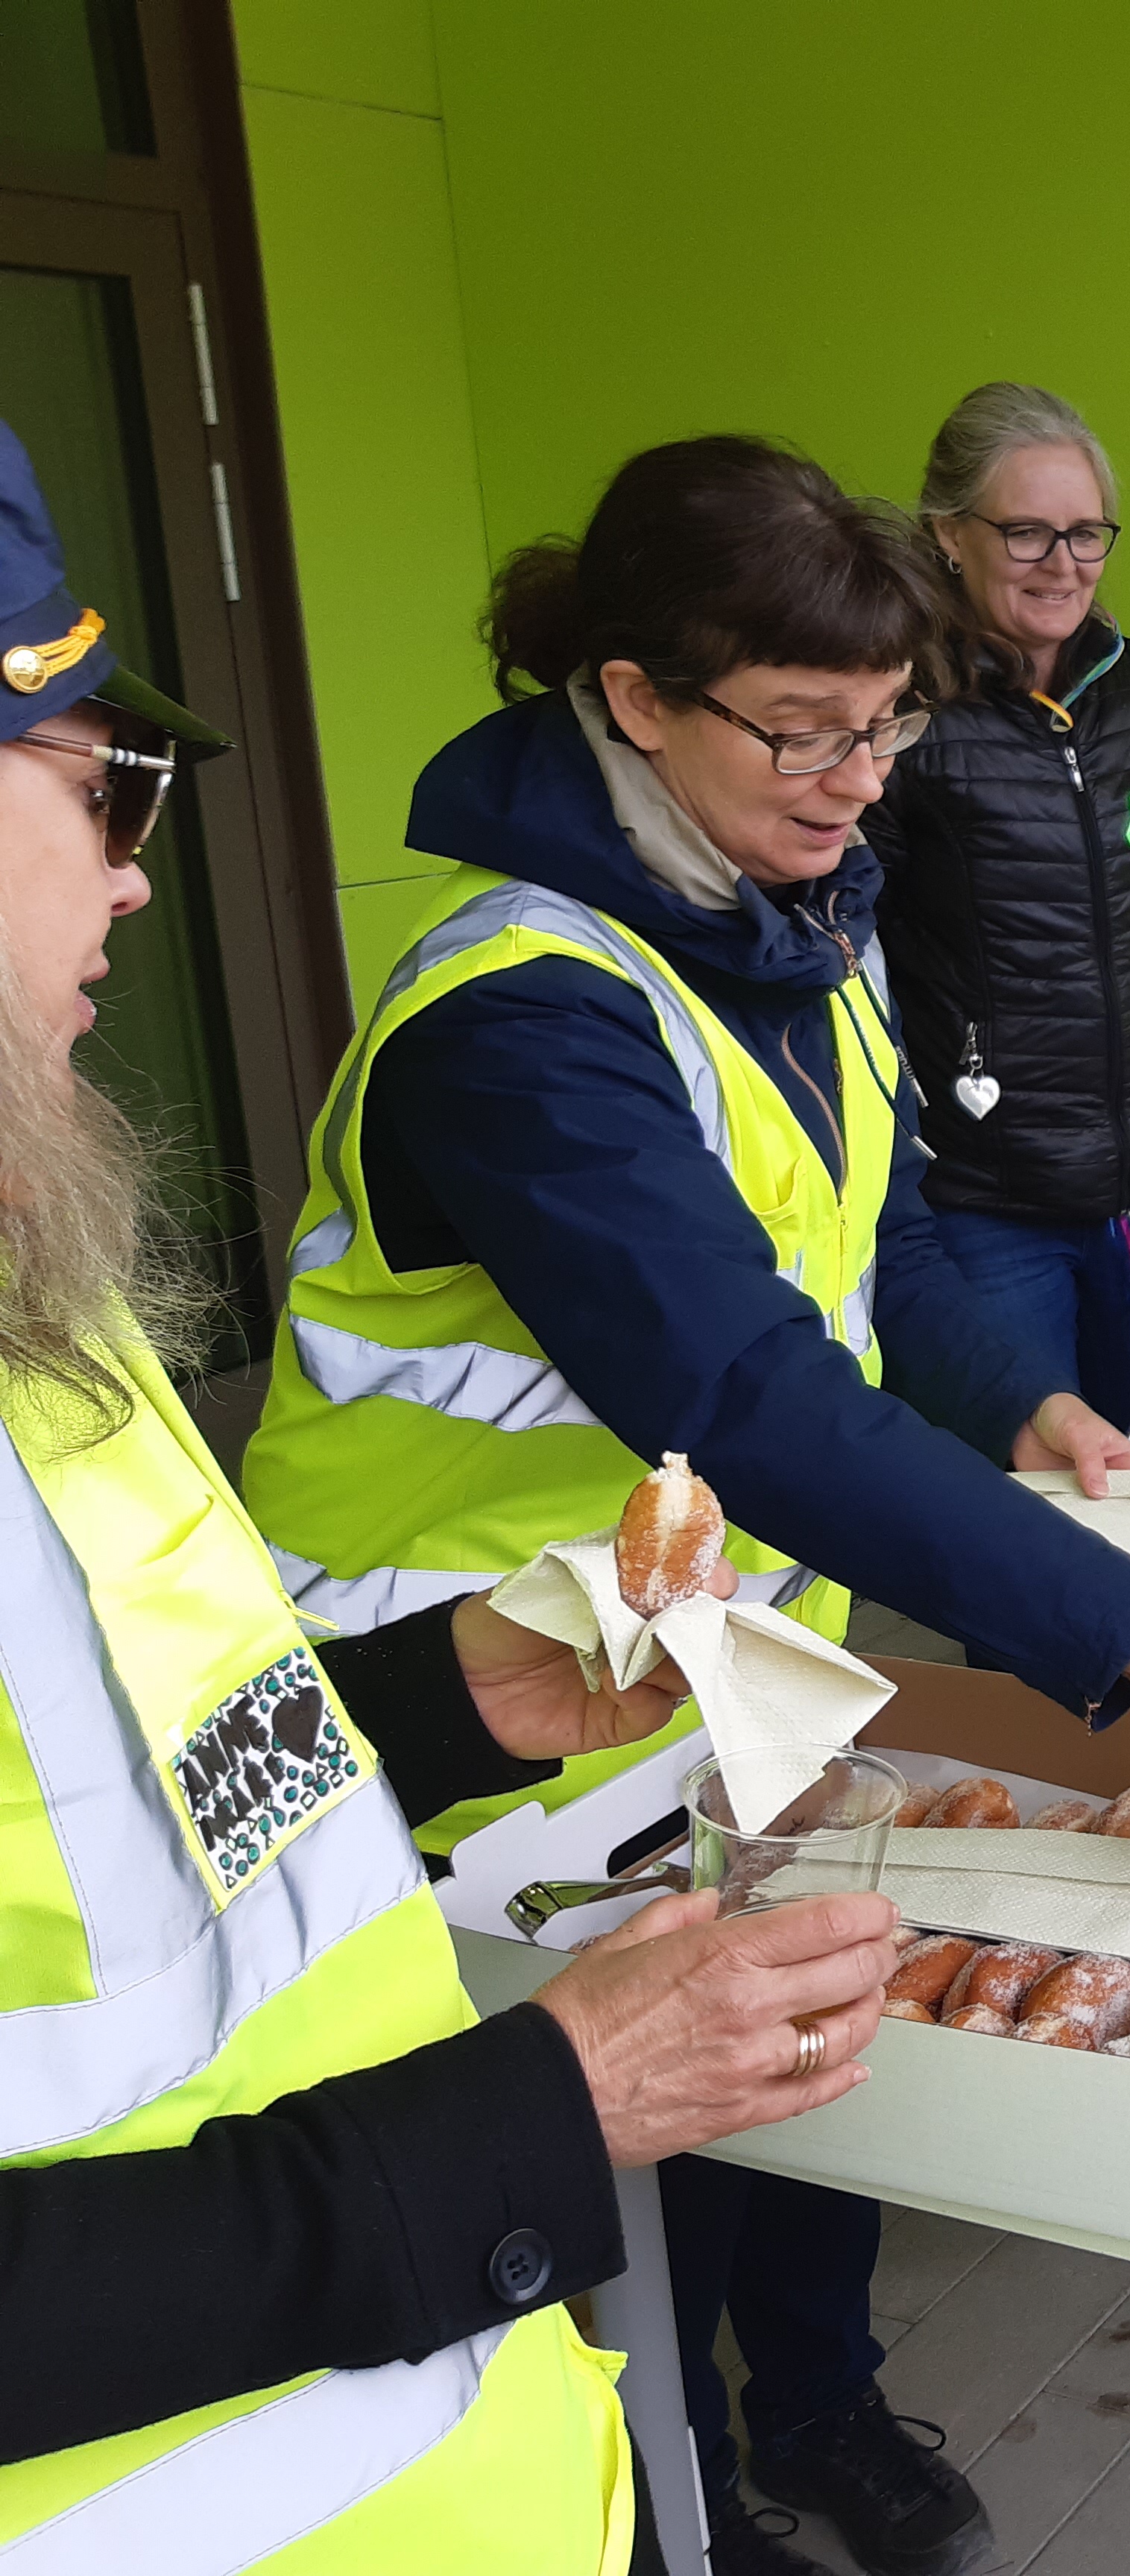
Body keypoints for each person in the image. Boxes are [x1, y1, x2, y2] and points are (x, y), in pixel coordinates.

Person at [239, 435, 1130, 2576]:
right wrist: (1128, 1639)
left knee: (809, 2037)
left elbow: (873, 1252)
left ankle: (818, 2410)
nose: (857, 781)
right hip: (474, 1714)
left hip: (724, 1670)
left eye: (885, 727)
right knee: (603, 2165)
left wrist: (1028, 1408)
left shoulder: (796, 922)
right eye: (804, 730)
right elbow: (737, 1382)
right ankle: (674, 2491)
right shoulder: (520, 1011)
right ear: (636, 697)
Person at [0, 417, 903, 2575]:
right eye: (101, 783)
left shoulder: (47, 1270)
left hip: (482, 2468)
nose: (136, 873)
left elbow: (126, 1816)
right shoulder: (524, 1007)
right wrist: (528, 2119)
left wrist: (432, 1701)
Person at [873, 382, 1130, 1475]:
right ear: (949, 535)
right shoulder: (900, 712)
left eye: (1087, 533)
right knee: (1032, 1511)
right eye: (1026, 532)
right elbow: (845, 964)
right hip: (984, 1203)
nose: (1062, 564)